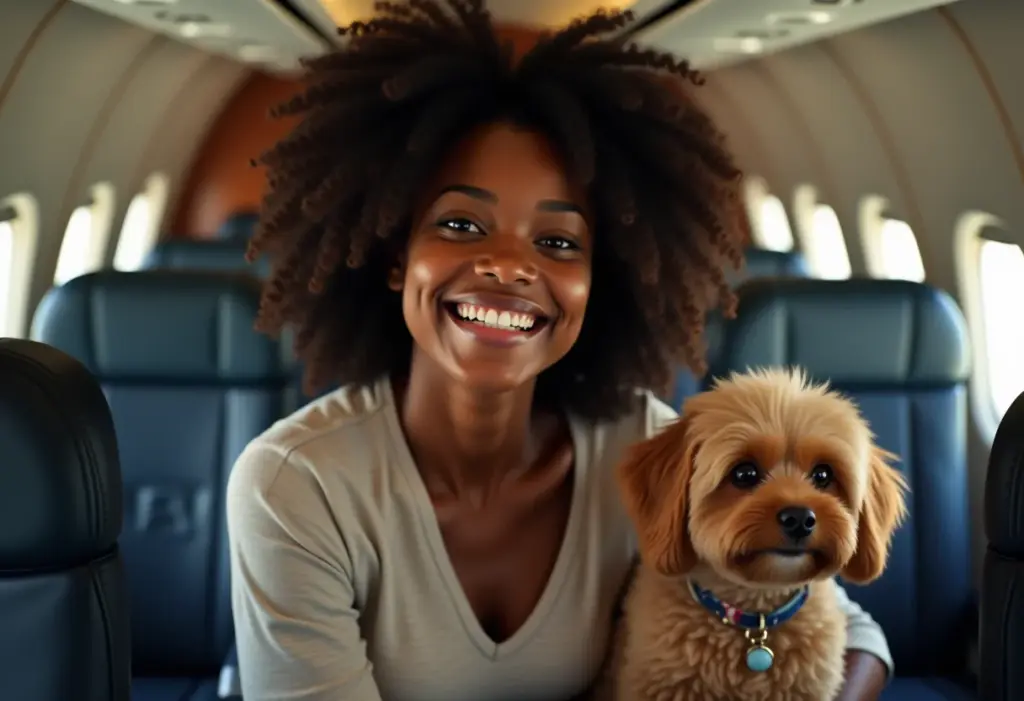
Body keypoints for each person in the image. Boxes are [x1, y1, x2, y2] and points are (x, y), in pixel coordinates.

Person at [225, 1, 893, 700]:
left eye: (557, 241)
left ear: (598, 278)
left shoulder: (635, 438)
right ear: (396, 255)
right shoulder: (295, 486)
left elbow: (850, 628)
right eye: (460, 222)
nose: (510, 266)